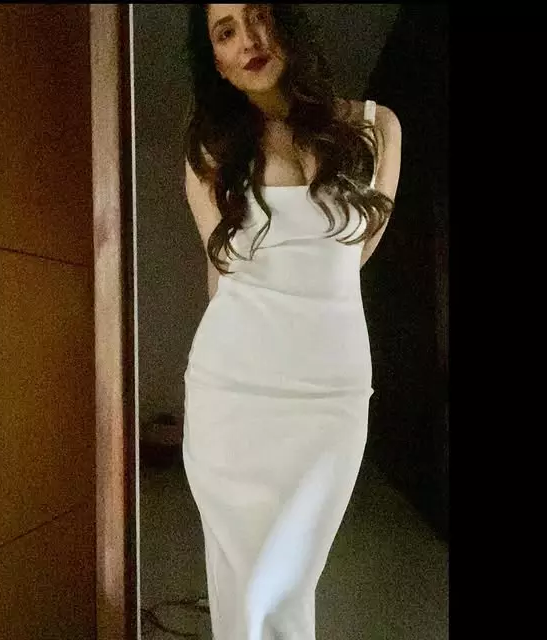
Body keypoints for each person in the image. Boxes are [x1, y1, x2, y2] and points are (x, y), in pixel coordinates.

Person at [181, 4, 401, 639]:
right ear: (215, 60)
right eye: (226, 32)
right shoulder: (210, 149)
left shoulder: (377, 127)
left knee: (293, 576)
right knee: (246, 589)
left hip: (332, 397)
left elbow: (351, 257)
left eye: (259, 17)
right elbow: (223, 270)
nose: (249, 41)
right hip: (233, 394)